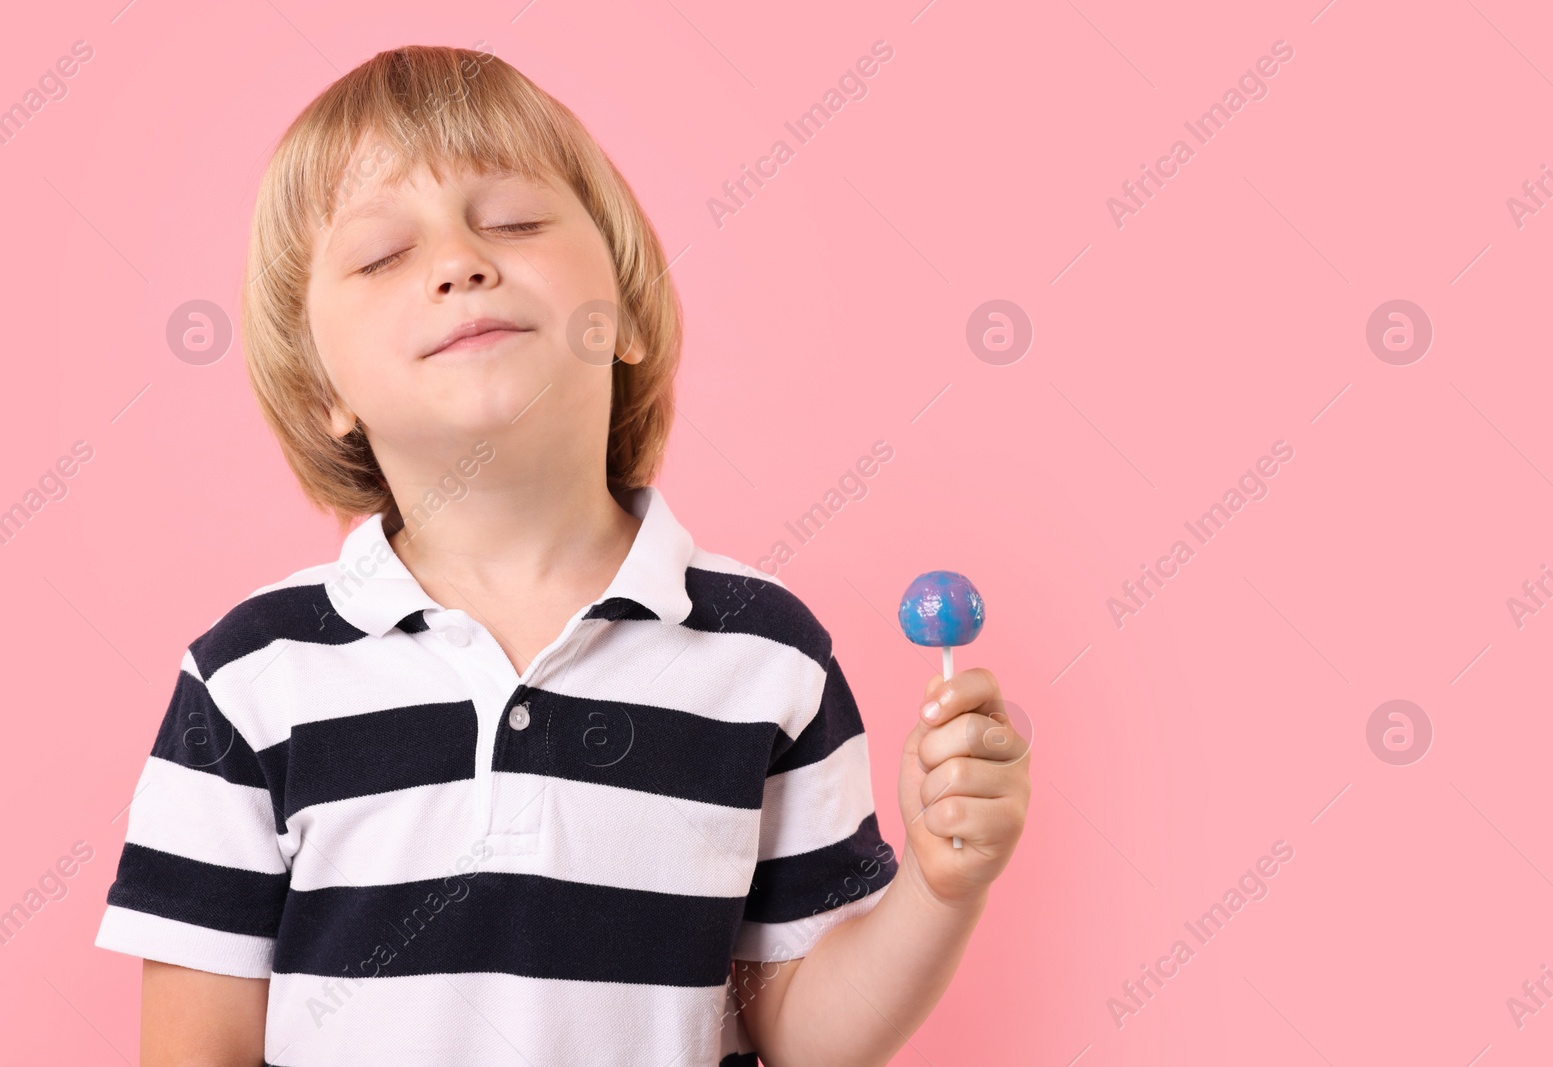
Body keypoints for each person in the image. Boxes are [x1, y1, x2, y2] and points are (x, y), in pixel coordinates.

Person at [92, 44, 1030, 1067]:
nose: (460, 262)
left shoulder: (768, 656)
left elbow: (800, 1025)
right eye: (381, 256)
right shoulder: (248, 678)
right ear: (329, 394)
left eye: (514, 221)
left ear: (623, 310)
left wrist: (942, 887)